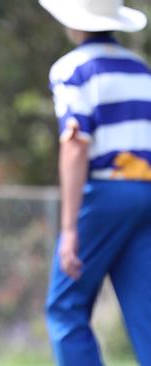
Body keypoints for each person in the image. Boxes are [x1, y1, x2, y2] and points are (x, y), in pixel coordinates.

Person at [39, 1, 151, 365]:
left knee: (66, 307)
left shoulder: (72, 69)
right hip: (145, 193)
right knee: (145, 313)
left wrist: (70, 229)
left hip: (105, 193)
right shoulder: (140, 69)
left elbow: (75, 145)